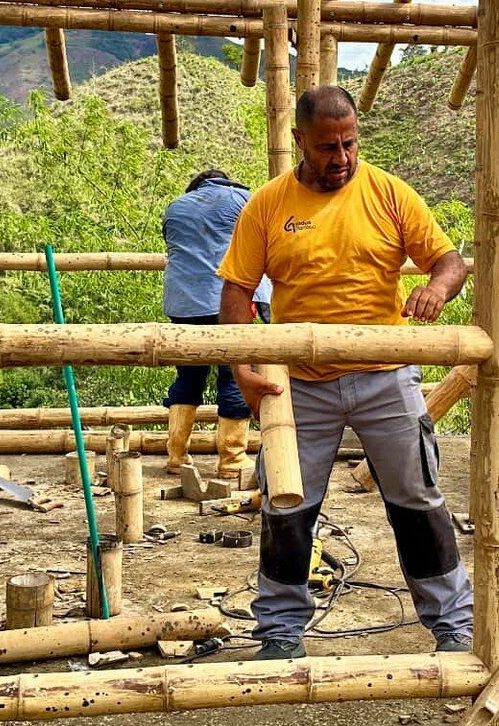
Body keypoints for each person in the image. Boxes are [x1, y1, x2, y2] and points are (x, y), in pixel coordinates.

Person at [217, 85, 474, 662]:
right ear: (300, 141)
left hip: (386, 375)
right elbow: (236, 289)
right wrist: (242, 368)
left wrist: (435, 287)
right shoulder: (267, 205)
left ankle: (453, 625)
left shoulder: (388, 193)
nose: (341, 158)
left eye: (350, 143)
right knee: (287, 505)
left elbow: (449, 260)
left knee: (417, 499)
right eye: (328, 147)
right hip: (298, 382)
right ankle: (280, 633)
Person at [161, 169, 269, 481]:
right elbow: (259, 248)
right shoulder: (242, 198)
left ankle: (176, 456)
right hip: (227, 301)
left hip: (182, 303)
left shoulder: (176, 206)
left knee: (188, 375)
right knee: (235, 374)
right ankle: (232, 460)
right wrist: (264, 304)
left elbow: (174, 248)